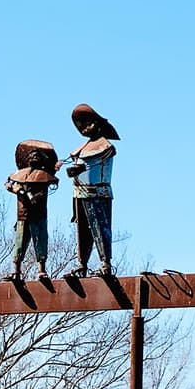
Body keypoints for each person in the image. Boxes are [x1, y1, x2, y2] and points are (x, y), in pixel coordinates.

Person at [66, 103, 119, 277]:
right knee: (82, 232)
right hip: (80, 194)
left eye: (88, 123)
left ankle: (106, 264)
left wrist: (80, 168)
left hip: (98, 193)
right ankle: (82, 264)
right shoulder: (81, 149)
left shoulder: (105, 146)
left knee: (100, 229)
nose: (85, 128)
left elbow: (95, 161)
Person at [3, 140, 60, 281]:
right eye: (31, 155)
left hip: (39, 214)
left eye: (37, 155)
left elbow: (53, 180)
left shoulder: (44, 176)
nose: (34, 157)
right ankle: (16, 270)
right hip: (22, 214)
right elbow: (8, 183)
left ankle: (41, 270)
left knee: (40, 241)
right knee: (19, 243)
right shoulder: (17, 175)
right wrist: (14, 188)